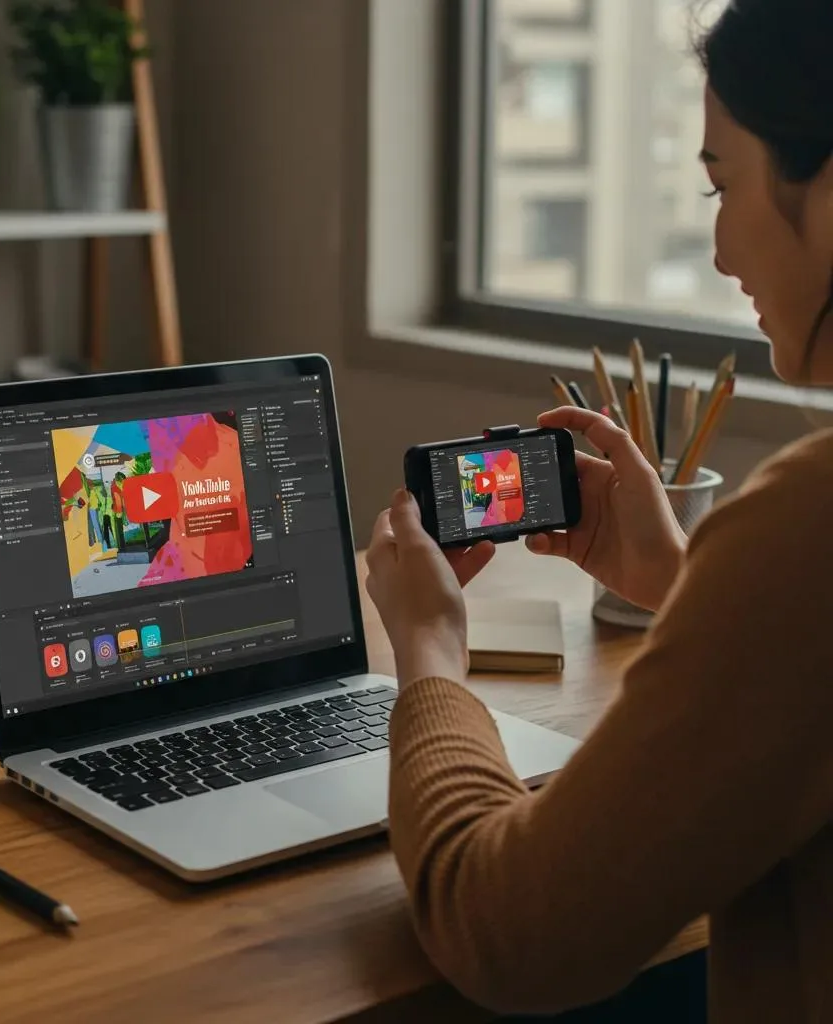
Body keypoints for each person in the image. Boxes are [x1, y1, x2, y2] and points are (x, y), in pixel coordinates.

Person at [365, 2, 833, 1021]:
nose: (717, 249)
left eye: (723, 184)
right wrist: (682, 586)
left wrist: (431, 657)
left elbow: (506, 932)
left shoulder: (812, 520)